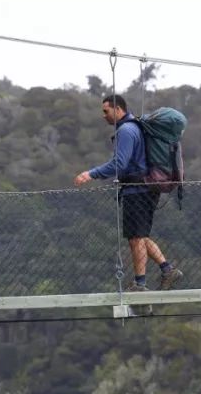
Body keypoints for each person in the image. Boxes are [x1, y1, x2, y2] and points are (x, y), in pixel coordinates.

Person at [75, 94, 182, 291]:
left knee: (135, 238)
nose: (103, 115)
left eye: (106, 111)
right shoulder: (135, 127)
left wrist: (91, 174)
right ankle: (167, 269)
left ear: (118, 109)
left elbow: (119, 164)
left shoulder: (126, 130)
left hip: (137, 190)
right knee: (139, 234)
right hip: (145, 188)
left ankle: (140, 283)